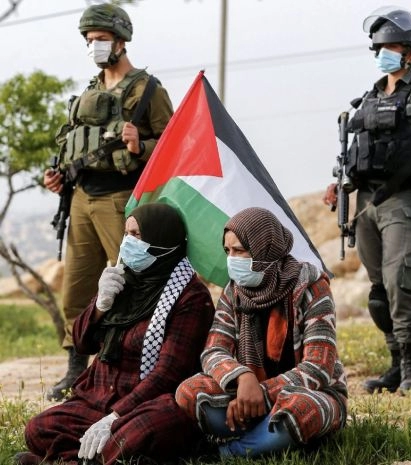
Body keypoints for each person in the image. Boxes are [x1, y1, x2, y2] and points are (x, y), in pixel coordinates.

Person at [15, 203, 215, 465]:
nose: (128, 242)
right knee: (38, 428)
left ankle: (70, 459)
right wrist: (99, 306)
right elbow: (82, 343)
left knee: (145, 430)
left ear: (161, 239)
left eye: (137, 235)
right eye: (126, 233)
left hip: (147, 404)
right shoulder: (121, 279)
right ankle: (101, 458)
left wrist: (115, 417)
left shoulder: (191, 297)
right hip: (98, 401)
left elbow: (168, 373)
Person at [44, 3, 174, 401]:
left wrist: (141, 145)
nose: (94, 46)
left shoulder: (148, 90)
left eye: (100, 39)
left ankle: (131, 363)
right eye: (89, 40)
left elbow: (174, 145)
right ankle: (76, 368)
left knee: (130, 283)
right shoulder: (89, 92)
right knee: (77, 287)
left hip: (123, 199)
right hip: (82, 198)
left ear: (120, 40)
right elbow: (74, 143)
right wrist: (58, 176)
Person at [323, 6, 411, 393]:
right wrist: (338, 185)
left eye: (391, 47)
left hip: (403, 202)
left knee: (399, 284)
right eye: (379, 48)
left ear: (410, 53)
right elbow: (354, 151)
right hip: (365, 204)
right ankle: (396, 364)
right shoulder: (368, 99)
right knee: (379, 293)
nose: (383, 54)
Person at [175, 207, 347, 458]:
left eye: (239, 250)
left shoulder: (311, 286)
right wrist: (243, 377)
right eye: (227, 251)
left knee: (301, 410)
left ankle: (230, 450)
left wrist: (262, 394)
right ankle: (266, 438)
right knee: (189, 392)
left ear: (264, 248)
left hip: (309, 392)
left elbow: (318, 367)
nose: (231, 259)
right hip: (246, 392)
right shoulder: (234, 291)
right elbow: (214, 350)